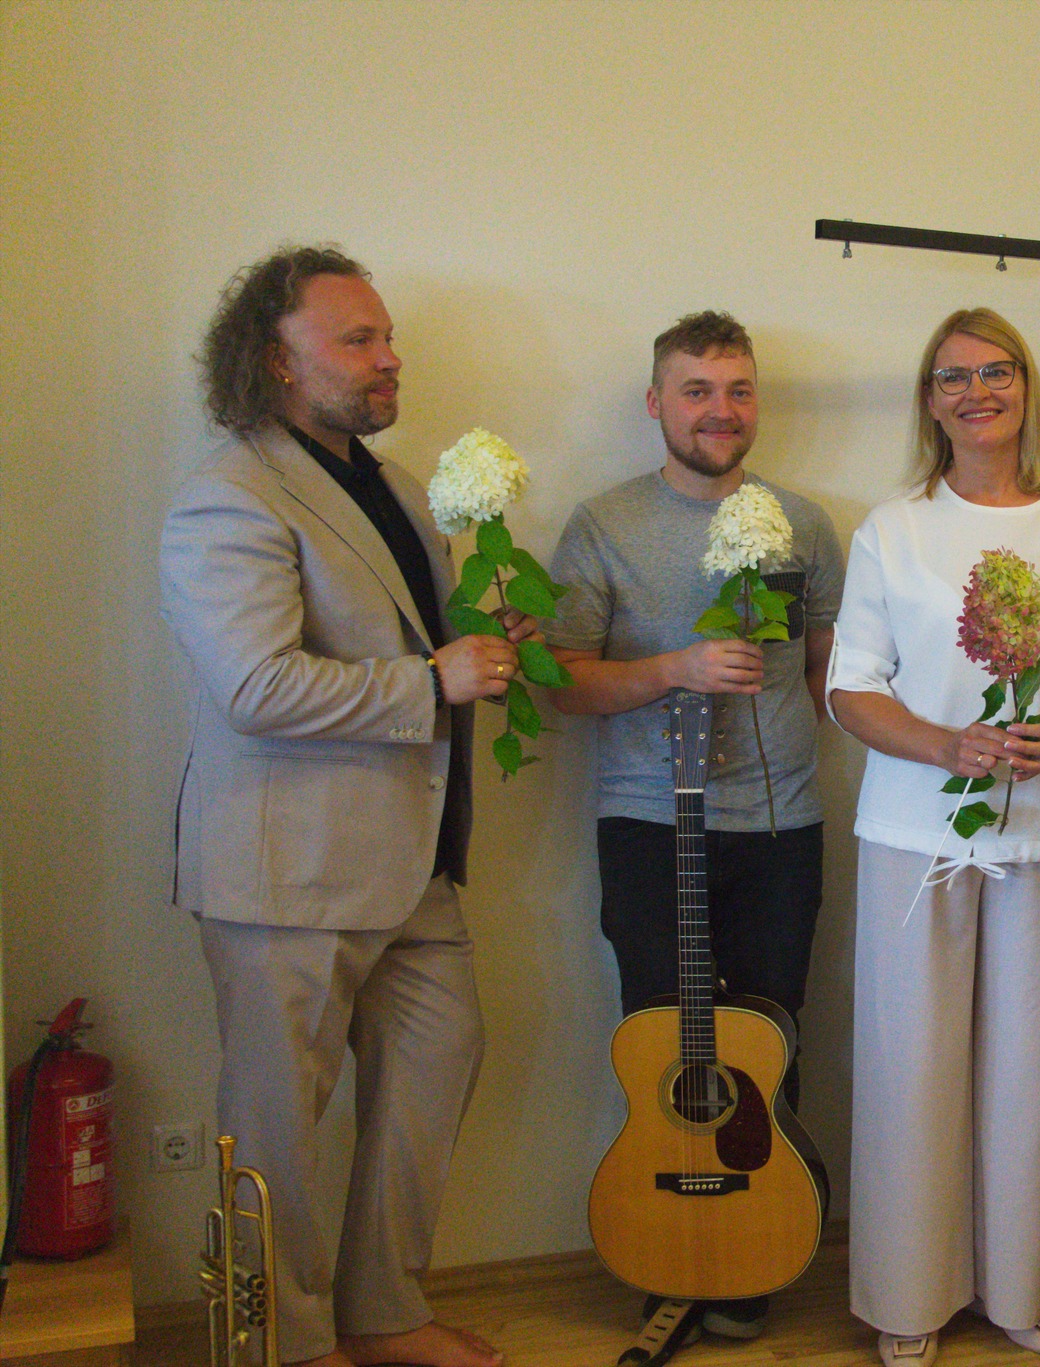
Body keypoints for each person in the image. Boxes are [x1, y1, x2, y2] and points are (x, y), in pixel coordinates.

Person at [160, 246, 526, 1367]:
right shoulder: (228, 494)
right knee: (276, 1126)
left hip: (415, 865)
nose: (388, 356)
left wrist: (483, 642)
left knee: (438, 1063)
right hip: (289, 873)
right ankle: (279, 1343)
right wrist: (432, 681)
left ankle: (384, 1312)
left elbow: (414, 642)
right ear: (277, 360)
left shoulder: (397, 486)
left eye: (387, 335)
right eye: (357, 339)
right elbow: (255, 685)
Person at [828, 308, 1040, 1367]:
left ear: (1024, 387)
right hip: (913, 832)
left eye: (995, 371)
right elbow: (850, 687)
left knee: (1024, 1068)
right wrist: (945, 745)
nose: (976, 392)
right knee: (912, 1066)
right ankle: (908, 1298)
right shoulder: (894, 527)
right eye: (952, 376)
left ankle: (1012, 1290)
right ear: (929, 400)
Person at [547, 310, 842, 1341]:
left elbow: (827, 672)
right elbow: (561, 683)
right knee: (660, 1036)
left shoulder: (802, 523)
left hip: (782, 826)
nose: (721, 410)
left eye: (738, 390)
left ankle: (750, 1245)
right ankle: (672, 1236)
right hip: (648, 820)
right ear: (656, 402)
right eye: (697, 390)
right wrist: (676, 667)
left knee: (770, 1034)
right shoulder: (602, 523)